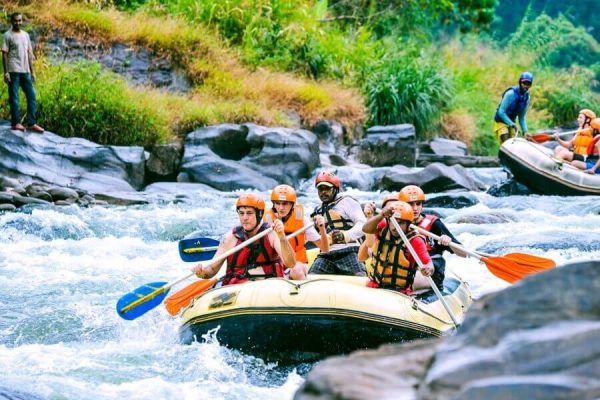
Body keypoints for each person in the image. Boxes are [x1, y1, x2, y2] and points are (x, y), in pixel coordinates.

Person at [191, 193, 301, 285]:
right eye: (241, 213)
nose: (244, 218)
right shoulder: (231, 238)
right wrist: (202, 272)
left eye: (249, 213)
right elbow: (212, 270)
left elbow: (291, 264)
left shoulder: (271, 234)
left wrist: (282, 237)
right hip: (239, 289)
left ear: (259, 214)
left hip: (269, 286)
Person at [399, 185, 467, 291]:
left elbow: (464, 253)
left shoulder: (434, 224)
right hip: (407, 267)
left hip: (431, 271)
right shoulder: (397, 224)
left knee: (404, 281)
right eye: (410, 204)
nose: (415, 208)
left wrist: (448, 242)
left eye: (418, 204)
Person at [362, 201, 434, 295]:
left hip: (399, 292)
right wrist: (382, 215)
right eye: (392, 221)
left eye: (400, 223)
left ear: (408, 224)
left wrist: (428, 269)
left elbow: (429, 264)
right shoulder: (384, 227)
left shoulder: (415, 240)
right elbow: (366, 229)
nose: (394, 227)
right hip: (375, 285)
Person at [310, 170, 367, 276]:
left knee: (360, 276)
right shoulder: (317, 211)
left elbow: (363, 225)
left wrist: (345, 235)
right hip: (327, 255)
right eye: (320, 189)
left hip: (349, 250)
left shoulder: (347, 202)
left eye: (327, 188)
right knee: (311, 277)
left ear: (335, 189)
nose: (323, 192)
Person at [264, 184, 327, 278]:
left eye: (285, 203)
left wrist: (322, 228)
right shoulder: (266, 220)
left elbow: (325, 249)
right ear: (274, 204)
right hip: (276, 265)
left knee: (296, 270)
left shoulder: (302, 220)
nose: (281, 208)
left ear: (292, 204)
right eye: (278, 203)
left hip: (298, 265)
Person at [2, 12, 43, 133]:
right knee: (14, 98)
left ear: (22, 21)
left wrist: (33, 71)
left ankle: (32, 123)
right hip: (14, 70)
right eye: (15, 21)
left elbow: (29, 53)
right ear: (11, 21)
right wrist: (6, 72)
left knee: (32, 96)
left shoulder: (25, 35)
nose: (18, 23)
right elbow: (4, 54)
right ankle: (16, 123)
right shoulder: (7, 35)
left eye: (20, 21)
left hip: (25, 71)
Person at [493, 72, 533, 143]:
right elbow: (501, 112)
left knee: (514, 142)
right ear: (520, 82)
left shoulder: (527, 98)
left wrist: (525, 131)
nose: (526, 86)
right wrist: (511, 124)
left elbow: (522, 118)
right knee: (507, 140)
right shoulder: (510, 94)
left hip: (512, 123)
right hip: (501, 121)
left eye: (528, 84)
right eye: (524, 83)